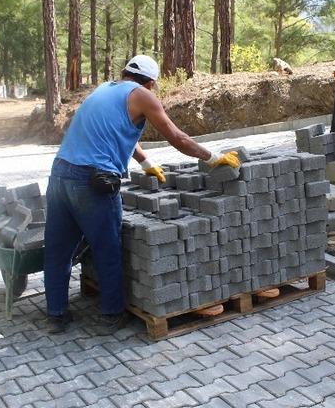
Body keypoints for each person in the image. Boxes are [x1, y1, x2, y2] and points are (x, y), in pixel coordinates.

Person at [43, 55, 241, 333]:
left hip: (60, 176)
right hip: (92, 183)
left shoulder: (103, 90)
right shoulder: (143, 95)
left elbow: (114, 133)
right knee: (107, 248)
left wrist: (146, 163)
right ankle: (111, 316)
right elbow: (176, 137)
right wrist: (212, 157)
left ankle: (56, 315)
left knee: (58, 250)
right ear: (150, 82)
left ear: (125, 73)